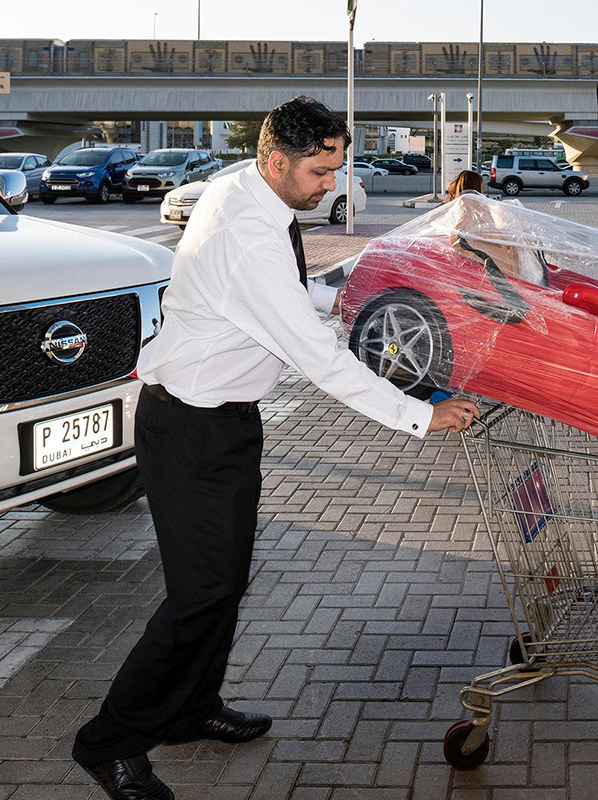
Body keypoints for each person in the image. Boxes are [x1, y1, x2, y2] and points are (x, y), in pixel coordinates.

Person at [71, 96, 480, 800]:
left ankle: (191, 709)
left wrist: (354, 291)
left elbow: (285, 300)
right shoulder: (247, 229)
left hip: (225, 422)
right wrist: (417, 416)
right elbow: (315, 357)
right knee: (198, 597)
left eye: (336, 168)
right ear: (276, 159)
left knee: (224, 584)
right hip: (190, 429)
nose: (332, 184)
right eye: (321, 172)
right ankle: (109, 742)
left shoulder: (254, 191)